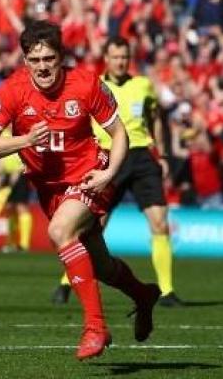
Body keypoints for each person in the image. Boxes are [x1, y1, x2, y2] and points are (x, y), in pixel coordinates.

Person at [0, 20, 160, 361]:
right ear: (25, 61)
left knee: (60, 230)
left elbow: (119, 134)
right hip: (49, 189)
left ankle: (95, 327)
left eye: (50, 58)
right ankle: (143, 294)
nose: (43, 67)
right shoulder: (12, 90)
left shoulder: (85, 83)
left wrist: (107, 175)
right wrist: (25, 140)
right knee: (102, 267)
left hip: (90, 177)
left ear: (61, 57)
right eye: (35, 60)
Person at [52, 37, 184, 307]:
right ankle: (67, 283)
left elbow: (156, 118)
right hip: (107, 157)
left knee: (160, 221)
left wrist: (163, 153)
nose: (120, 62)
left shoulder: (143, 85)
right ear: (106, 58)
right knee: (91, 226)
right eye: (115, 57)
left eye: (124, 57)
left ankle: (167, 291)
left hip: (141, 156)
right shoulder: (94, 85)